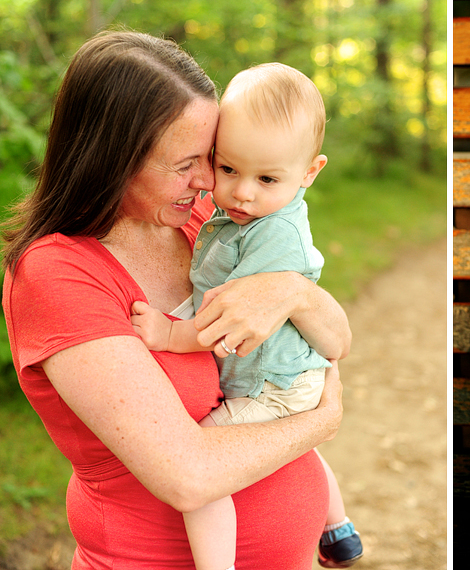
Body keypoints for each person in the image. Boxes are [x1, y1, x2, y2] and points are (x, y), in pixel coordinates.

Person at [2, 31, 349, 569]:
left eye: (211, 157)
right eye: (187, 163)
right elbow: (188, 477)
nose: (210, 180)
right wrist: (319, 423)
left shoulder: (202, 226)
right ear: (113, 158)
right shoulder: (57, 274)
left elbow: (337, 341)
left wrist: (294, 289)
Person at [130, 62, 362, 570]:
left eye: (266, 178)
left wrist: (171, 334)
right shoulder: (230, 217)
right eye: (228, 169)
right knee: (288, 442)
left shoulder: (273, 234)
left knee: (208, 458)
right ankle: (338, 528)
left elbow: (228, 320)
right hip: (279, 379)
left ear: (310, 172)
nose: (242, 192)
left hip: (272, 381)